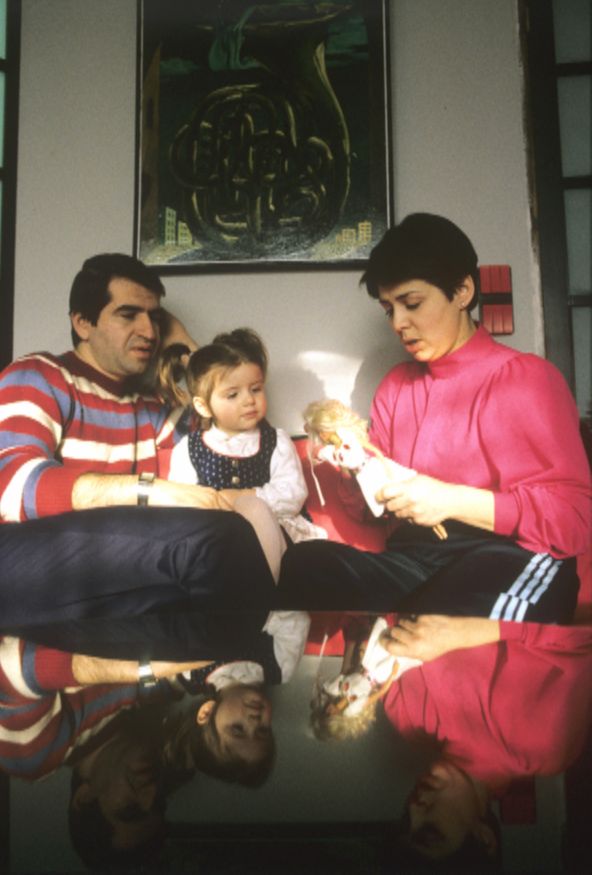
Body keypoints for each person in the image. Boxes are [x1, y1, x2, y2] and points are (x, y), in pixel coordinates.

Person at [277, 213, 591, 620]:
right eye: (388, 309)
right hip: (413, 559)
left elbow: (575, 520)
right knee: (305, 565)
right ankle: (412, 631)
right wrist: (357, 472)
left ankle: (421, 631)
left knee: (456, 598)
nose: (398, 324)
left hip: (500, 554)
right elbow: (370, 513)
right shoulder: (396, 386)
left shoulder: (527, 378)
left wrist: (449, 500)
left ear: (462, 291)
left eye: (412, 304)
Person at [0, 254, 277, 627]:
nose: (149, 331)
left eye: (155, 318)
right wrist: (147, 491)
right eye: (129, 315)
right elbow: (11, 483)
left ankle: (231, 655)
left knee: (263, 537)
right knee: (213, 539)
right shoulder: (38, 375)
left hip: (122, 560)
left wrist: (190, 350)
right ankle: (249, 651)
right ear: (83, 323)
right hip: (27, 553)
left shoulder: (153, 409)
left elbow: (240, 430)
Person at [379, 615, 592, 865]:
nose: (414, 808)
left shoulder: (407, 718)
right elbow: (582, 631)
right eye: (430, 831)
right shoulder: (542, 748)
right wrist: (464, 631)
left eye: (405, 821)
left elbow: (369, 621)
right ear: (483, 838)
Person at [159, 328, 326, 580]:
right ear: (203, 406)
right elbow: (183, 502)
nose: (249, 400)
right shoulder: (188, 449)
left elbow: (292, 495)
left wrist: (241, 498)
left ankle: (274, 597)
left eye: (256, 389)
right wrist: (220, 506)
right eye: (233, 394)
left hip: (277, 538)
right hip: (219, 540)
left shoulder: (276, 442)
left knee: (255, 512)